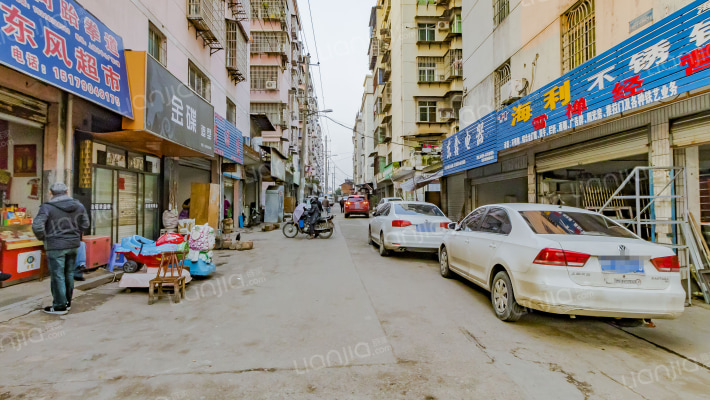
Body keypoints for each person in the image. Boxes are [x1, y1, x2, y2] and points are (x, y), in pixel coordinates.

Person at [32, 182, 90, 315]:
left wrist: (44, 237)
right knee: (68, 273)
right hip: (73, 245)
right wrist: (75, 233)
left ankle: (59, 306)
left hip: (55, 245)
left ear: (51, 192)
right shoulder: (79, 206)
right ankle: (67, 302)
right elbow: (85, 224)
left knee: (58, 275)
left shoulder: (47, 207)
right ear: (67, 191)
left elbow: (37, 226)